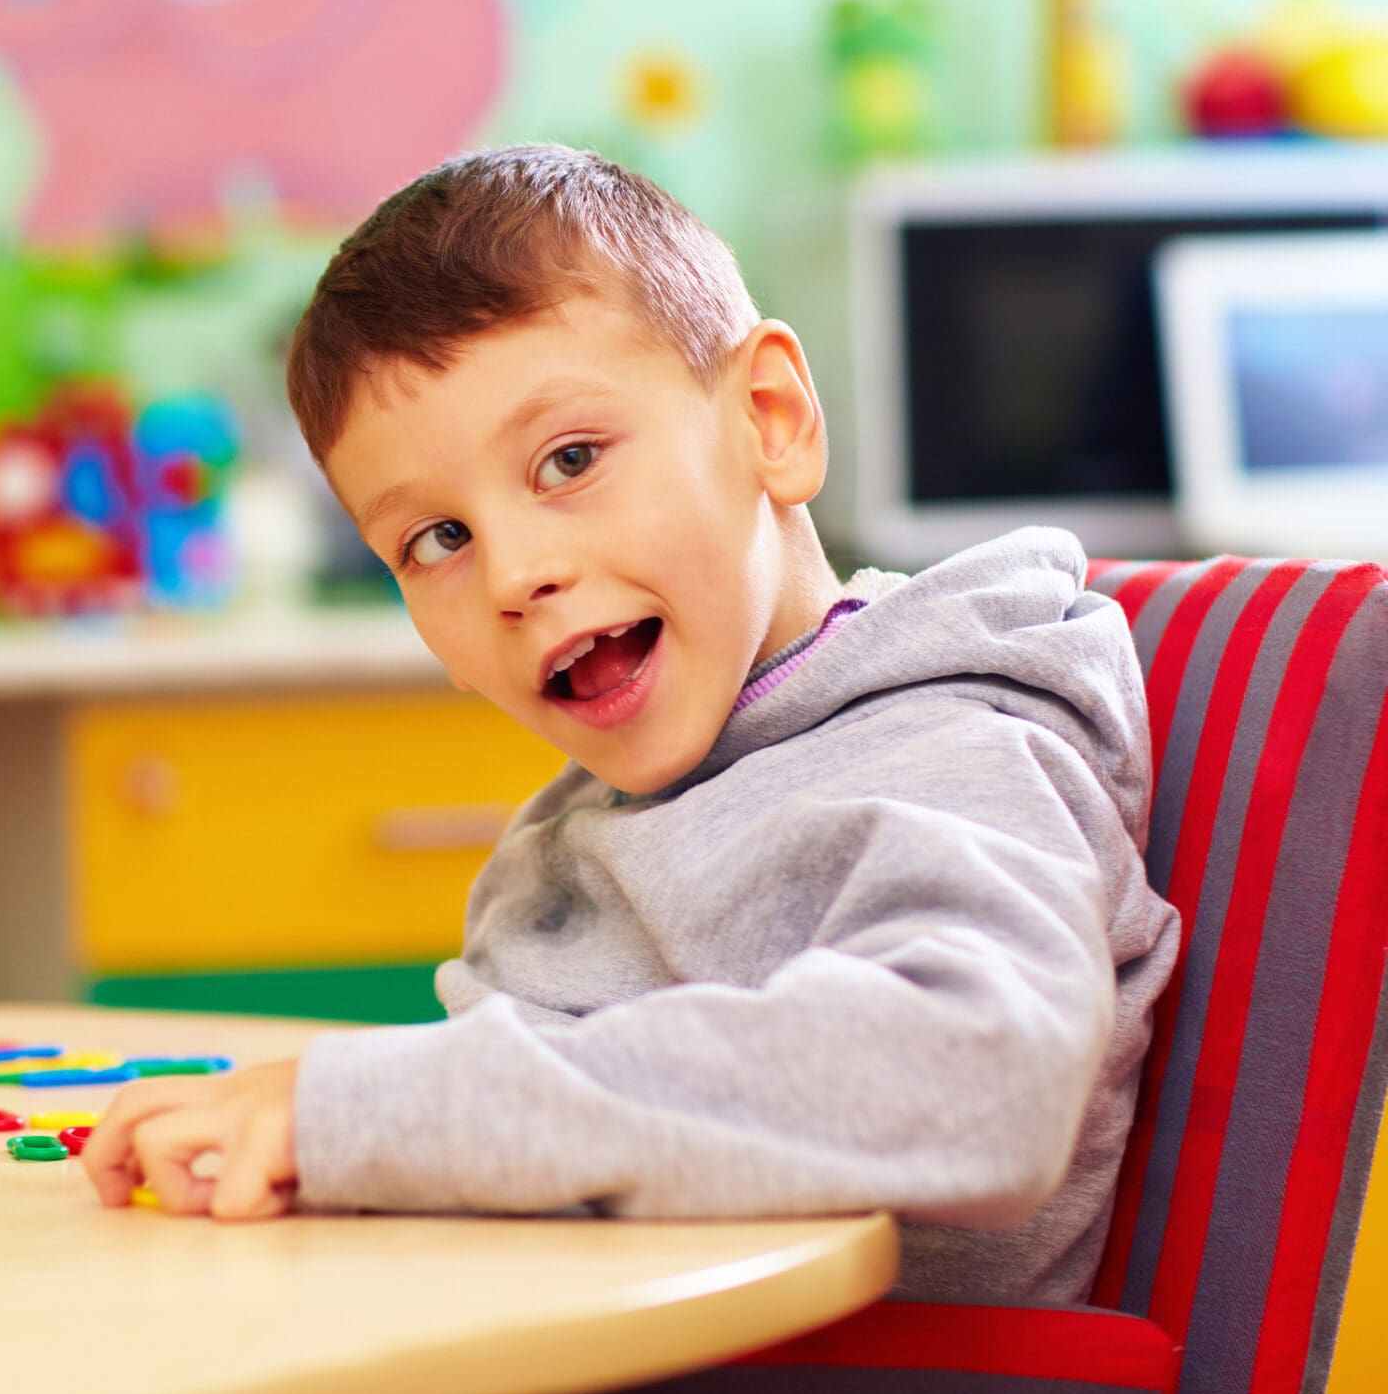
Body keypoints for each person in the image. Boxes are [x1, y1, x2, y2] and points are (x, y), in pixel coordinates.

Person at [83, 144, 1177, 1303]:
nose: (511, 572)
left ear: (768, 419)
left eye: (568, 459)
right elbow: (514, 1149)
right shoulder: (571, 838)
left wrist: (366, 1108)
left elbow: (978, 1075)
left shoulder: (943, 748)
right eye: (435, 540)